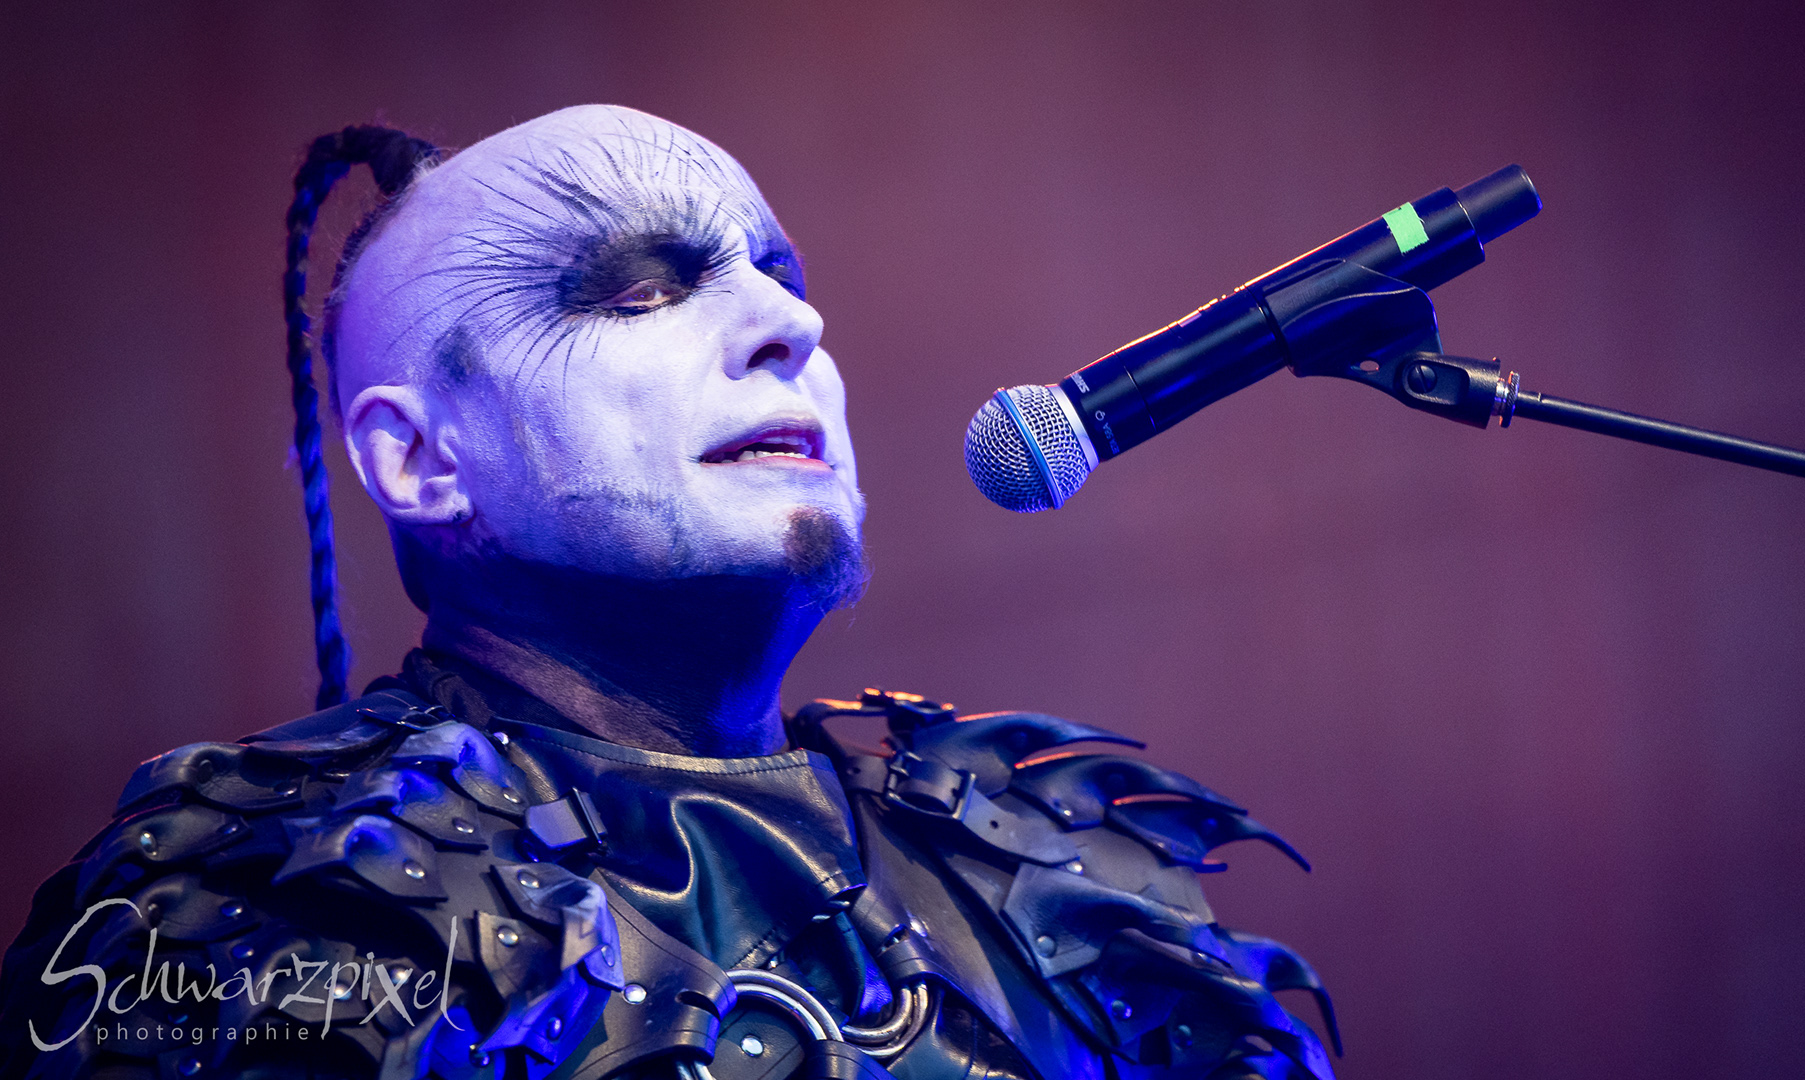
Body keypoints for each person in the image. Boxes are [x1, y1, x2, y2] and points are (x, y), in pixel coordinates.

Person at [0, 105, 1335, 1080]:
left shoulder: (1058, 866)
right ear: (418, 459)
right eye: (641, 291)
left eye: (782, 277)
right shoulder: (254, 907)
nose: (791, 326)